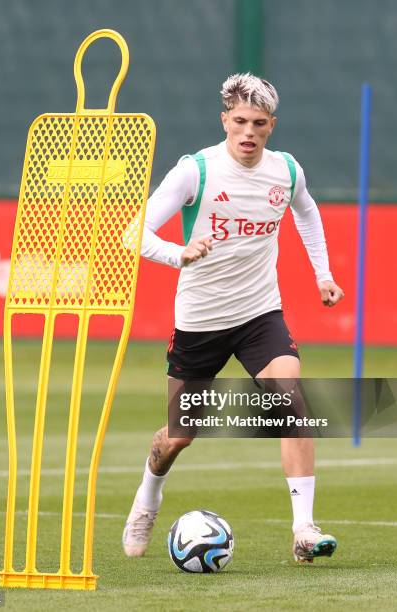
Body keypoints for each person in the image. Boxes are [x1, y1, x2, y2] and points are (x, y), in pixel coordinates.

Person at [122, 73, 344, 562]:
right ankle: (147, 497)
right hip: (200, 321)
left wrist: (322, 274)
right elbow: (133, 234)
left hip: (260, 312)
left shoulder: (286, 171)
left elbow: (306, 212)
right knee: (180, 434)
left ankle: (304, 529)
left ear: (271, 126)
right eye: (239, 121)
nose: (248, 132)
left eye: (258, 124)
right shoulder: (195, 171)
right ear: (225, 120)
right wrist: (178, 254)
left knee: (292, 403)